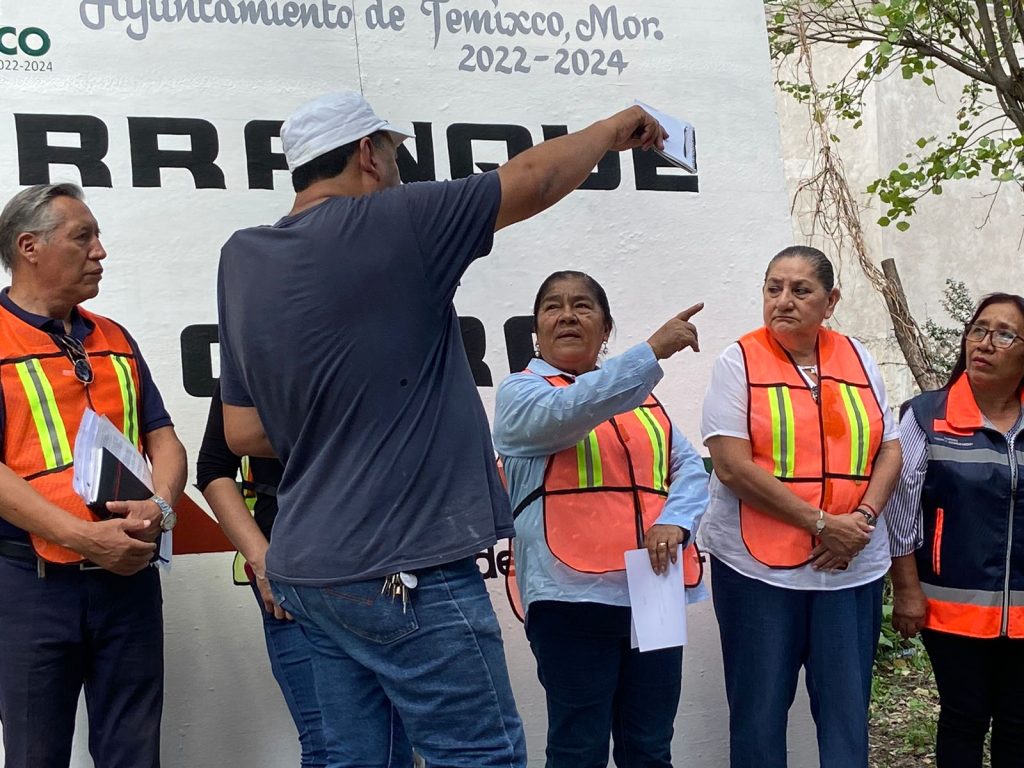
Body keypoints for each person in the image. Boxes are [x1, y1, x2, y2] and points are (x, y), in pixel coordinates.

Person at [215, 90, 667, 767]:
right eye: (394, 154)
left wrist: (345, 421)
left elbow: (244, 432)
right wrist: (611, 128)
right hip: (406, 568)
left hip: (310, 571)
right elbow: (534, 178)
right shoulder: (396, 220)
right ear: (368, 154)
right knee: (480, 757)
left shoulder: (242, 258)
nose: (398, 169)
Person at [0, 183, 187, 768]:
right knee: (35, 753)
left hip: (128, 579)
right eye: (83, 237)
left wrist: (162, 507)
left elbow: (163, 437)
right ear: (29, 247)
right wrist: (82, 537)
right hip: (29, 585)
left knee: (134, 752)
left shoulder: (115, 337)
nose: (100, 251)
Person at [492, 270, 709, 768]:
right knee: (578, 749)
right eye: (552, 306)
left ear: (606, 327)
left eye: (582, 305)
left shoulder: (644, 400)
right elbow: (569, 411)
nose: (567, 314)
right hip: (570, 595)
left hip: (652, 589)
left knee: (650, 746)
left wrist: (676, 518)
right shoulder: (521, 394)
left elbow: (689, 468)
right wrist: (650, 350)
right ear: (536, 330)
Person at [700, 245, 902, 768]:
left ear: (830, 301)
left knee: (846, 716)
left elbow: (891, 447)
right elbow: (731, 466)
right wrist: (820, 524)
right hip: (757, 573)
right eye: (773, 288)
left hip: (848, 567)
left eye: (799, 290)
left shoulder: (857, 356)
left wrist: (861, 520)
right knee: (759, 715)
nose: (782, 301)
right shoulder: (737, 360)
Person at [886, 293, 1024, 768]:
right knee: (964, 718)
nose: (984, 343)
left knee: (1021, 724)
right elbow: (900, 506)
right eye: (978, 329)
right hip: (952, 609)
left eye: (1004, 333)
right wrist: (906, 590)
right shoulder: (925, 417)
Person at [196, 384, 334, 767]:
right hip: (292, 577)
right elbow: (212, 468)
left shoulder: (366, 348)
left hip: (376, 568)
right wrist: (262, 561)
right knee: (326, 742)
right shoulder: (250, 358)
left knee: (393, 737)